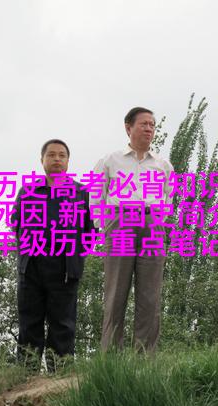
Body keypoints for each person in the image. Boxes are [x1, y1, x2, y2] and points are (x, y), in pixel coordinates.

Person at [93, 107, 174, 352]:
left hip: (152, 225)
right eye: (144, 124)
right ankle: (111, 357)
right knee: (116, 292)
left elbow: (168, 198)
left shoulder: (163, 165)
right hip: (120, 223)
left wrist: (157, 222)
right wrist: (105, 226)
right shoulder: (110, 160)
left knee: (150, 295)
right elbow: (96, 196)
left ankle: (145, 358)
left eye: (152, 125)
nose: (149, 129)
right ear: (128, 128)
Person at [13, 139, 93, 372]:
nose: (57, 159)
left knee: (63, 326)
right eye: (51, 155)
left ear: (68, 161)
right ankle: (26, 377)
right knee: (29, 324)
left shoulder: (81, 193)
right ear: (42, 160)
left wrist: (74, 256)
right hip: (32, 268)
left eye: (62, 155)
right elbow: (16, 224)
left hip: (65, 270)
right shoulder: (28, 192)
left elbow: (90, 231)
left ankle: (60, 378)